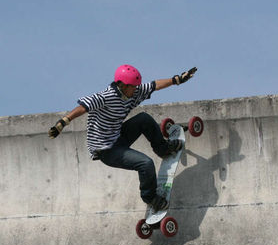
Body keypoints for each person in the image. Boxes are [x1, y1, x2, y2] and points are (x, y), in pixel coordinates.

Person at [48, 64, 197, 211]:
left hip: (118, 137)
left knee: (144, 118)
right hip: (106, 151)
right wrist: (63, 122)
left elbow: (154, 85)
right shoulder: (105, 97)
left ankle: (163, 148)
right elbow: (83, 107)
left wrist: (176, 80)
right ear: (123, 85)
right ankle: (150, 198)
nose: (136, 90)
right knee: (146, 163)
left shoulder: (133, 91)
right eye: (133, 87)